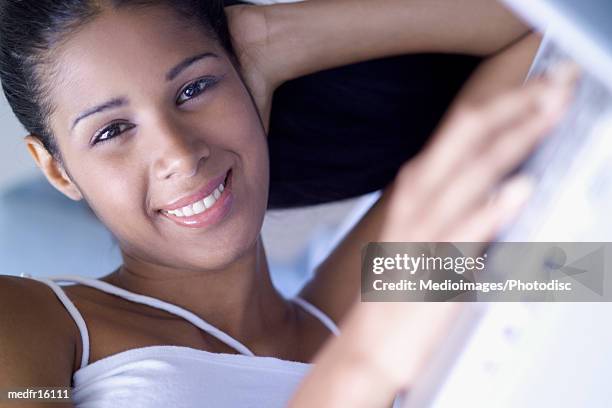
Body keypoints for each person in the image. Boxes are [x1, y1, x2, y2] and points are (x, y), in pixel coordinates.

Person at [0, 1, 576, 407]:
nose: (178, 153)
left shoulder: (378, 286)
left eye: (195, 88)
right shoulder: (34, 324)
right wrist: (367, 363)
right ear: (54, 167)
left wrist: (270, 35)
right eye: (112, 130)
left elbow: (555, 29)